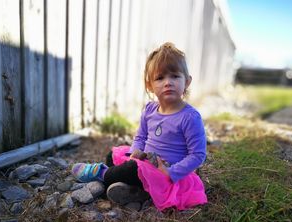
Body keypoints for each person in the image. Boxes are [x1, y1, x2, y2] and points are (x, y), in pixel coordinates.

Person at [72, 42, 208, 211]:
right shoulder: (150, 109)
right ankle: (134, 189)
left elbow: (198, 154)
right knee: (113, 156)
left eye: (175, 76)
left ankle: (101, 174)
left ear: (187, 82)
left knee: (132, 168)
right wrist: (136, 150)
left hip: (166, 173)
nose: (168, 82)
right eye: (160, 78)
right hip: (146, 163)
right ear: (150, 85)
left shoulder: (189, 117)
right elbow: (141, 137)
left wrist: (171, 172)